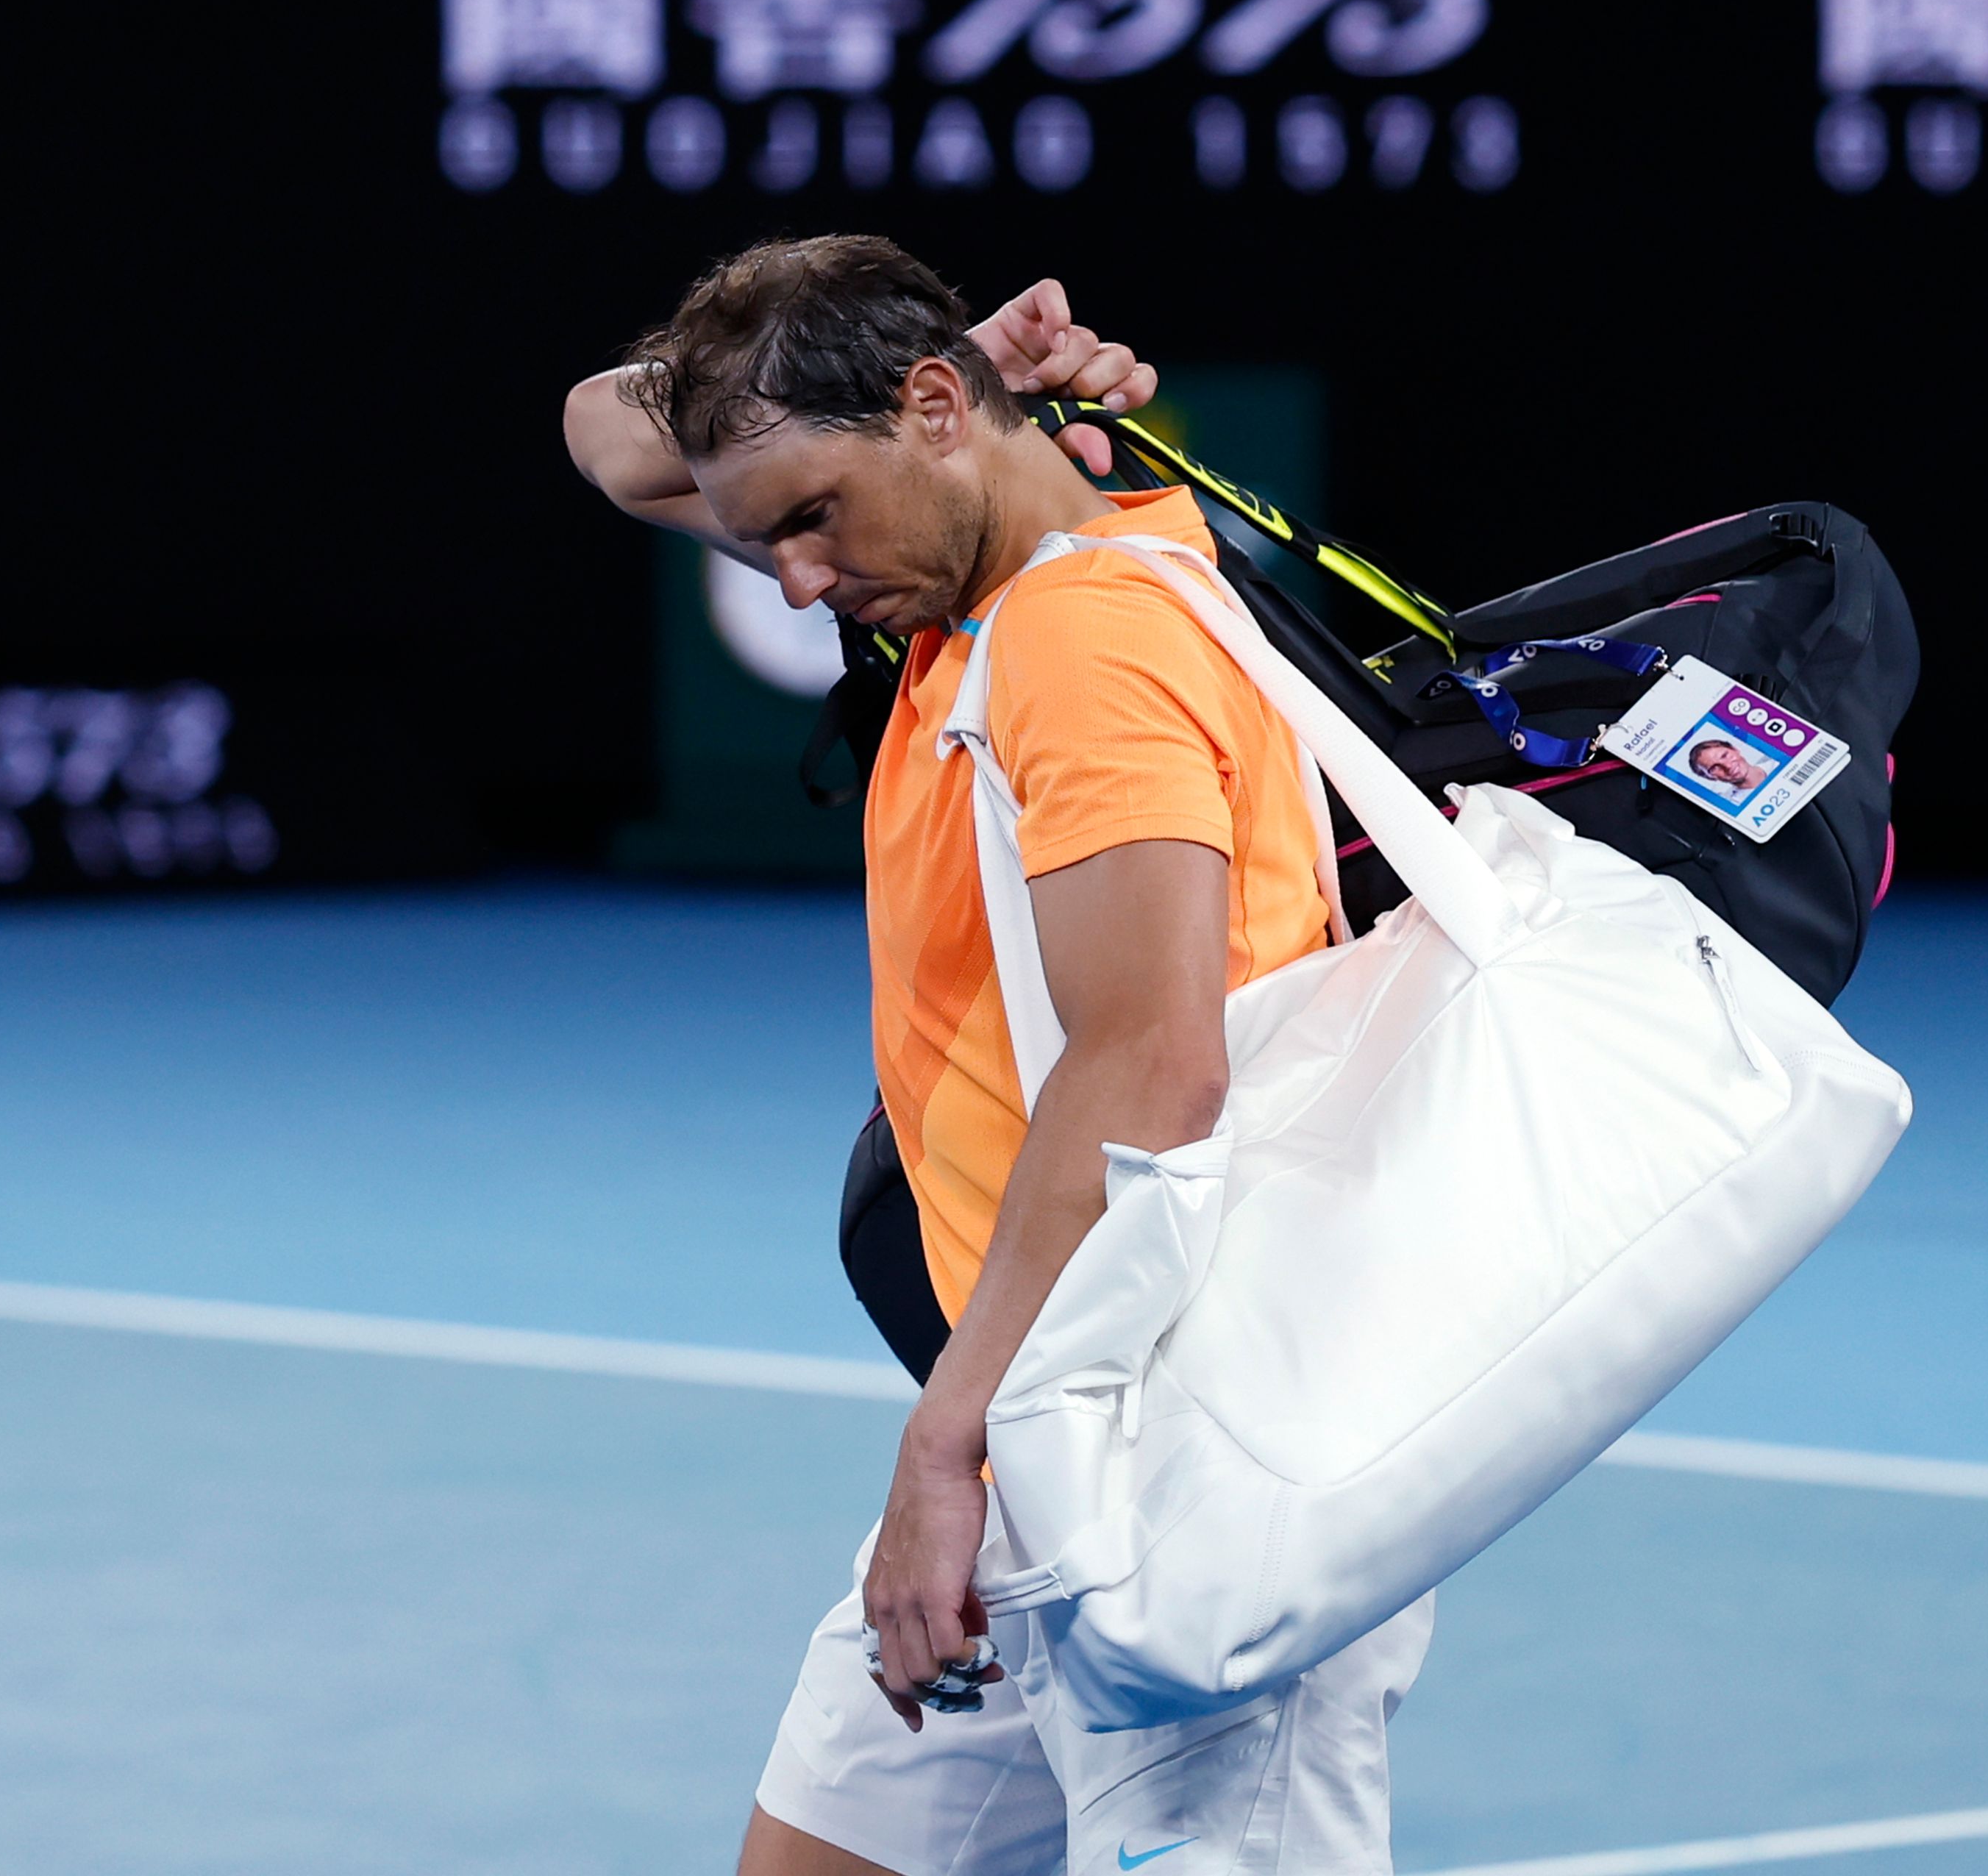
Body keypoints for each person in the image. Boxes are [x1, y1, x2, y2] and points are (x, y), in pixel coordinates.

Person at [564, 237, 1431, 1876]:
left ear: (937, 411)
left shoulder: (1082, 640)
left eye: (813, 517)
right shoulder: (967, 575)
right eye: (764, 543)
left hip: (1193, 1464)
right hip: (1056, 1437)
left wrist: (941, 1442)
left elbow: (1150, 1062)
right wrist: (943, 349)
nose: (797, 582)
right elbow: (607, 436)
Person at [1686, 737, 1767, 794]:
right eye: (1714, 768)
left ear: (1735, 749)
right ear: (1710, 778)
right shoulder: (1731, 806)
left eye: (1724, 756)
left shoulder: (1776, 759)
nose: (1728, 766)